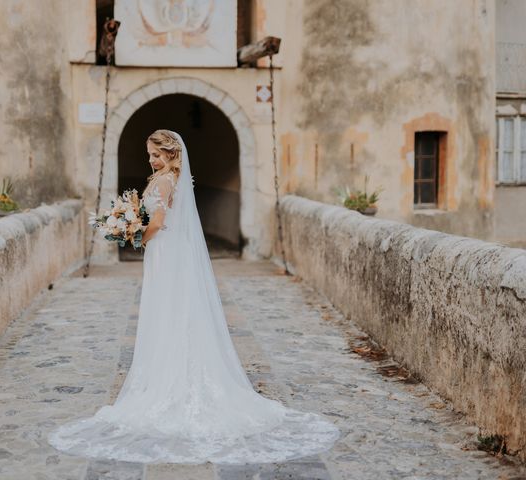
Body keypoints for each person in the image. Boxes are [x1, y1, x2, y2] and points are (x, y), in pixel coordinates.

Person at [48, 129, 340, 464]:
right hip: (173, 252)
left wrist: (131, 232)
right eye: (149, 154)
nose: (151, 159)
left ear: (171, 154)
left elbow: (157, 222)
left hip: (164, 251)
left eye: (156, 154)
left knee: (167, 311)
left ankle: (171, 380)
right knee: (179, 312)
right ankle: (183, 371)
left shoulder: (162, 182)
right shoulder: (173, 179)